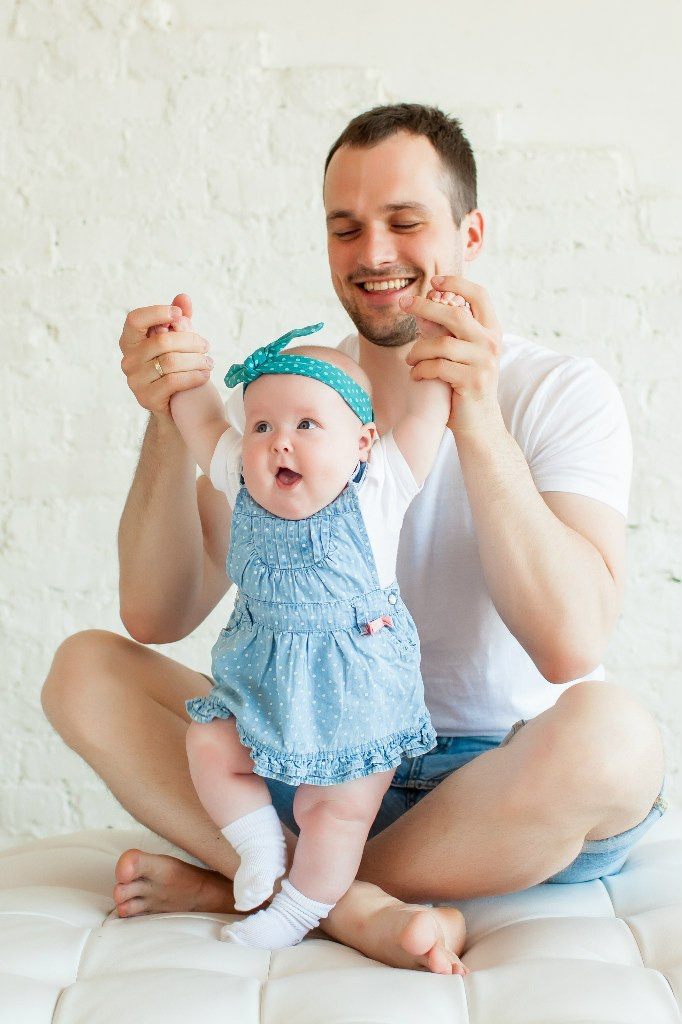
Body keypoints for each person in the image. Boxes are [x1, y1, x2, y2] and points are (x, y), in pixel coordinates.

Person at [42, 104, 666, 975]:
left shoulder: (561, 391)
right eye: (347, 228)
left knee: (619, 739)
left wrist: (476, 418)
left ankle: (271, 892)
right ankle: (343, 902)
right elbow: (154, 613)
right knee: (86, 667)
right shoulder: (295, 402)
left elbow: (570, 645)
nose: (374, 253)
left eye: (405, 224)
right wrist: (163, 417)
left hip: (493, 792)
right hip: (309, 764)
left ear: (471, 232)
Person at [167, 320, 451, 950]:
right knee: (210, 744)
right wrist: (175, 354)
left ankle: (298, 913)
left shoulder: (380, 486)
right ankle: (258, 847)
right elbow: (200, 416)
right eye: (261, 426)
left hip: (357, 692)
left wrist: (440, 337)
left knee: (335, 813)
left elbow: (432, 409)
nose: (279, 444)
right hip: (261, 686)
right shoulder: (239, 480)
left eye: (306, 425)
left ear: (364, 443)